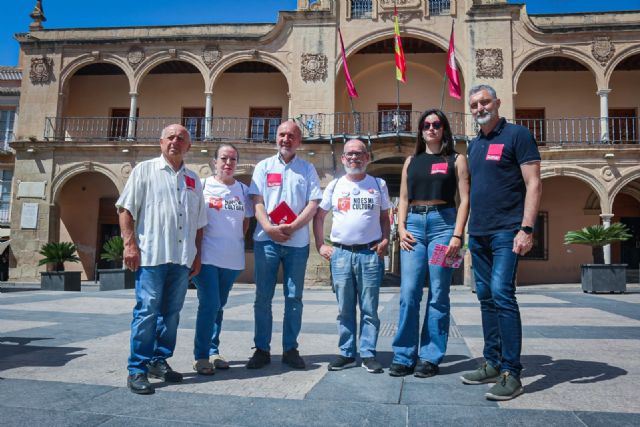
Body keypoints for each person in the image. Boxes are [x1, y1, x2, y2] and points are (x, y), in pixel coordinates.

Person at [460, 84, 541, 401]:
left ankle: (512, 372)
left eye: (484, 102)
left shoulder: (518, 135)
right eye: (474, 105)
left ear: (497, 102)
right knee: (485, 297)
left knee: (502, 294)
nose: (480, 108)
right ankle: (492, 362)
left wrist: (527, 228)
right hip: (479, 233)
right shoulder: (475, 144)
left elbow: (533, 183)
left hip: (507, 231)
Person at [117, 124, 207, 395]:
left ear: (188, 146)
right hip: (152, 256)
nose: (175, 142)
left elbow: (200, 223)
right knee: (147, 312)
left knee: (171, 315)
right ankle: (137, 368)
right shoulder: (144, 170)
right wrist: (129, 244)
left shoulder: (193, 179)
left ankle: (159, 360)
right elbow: (126, 209)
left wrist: (198, 255)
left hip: (181, 260)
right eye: (170, 137)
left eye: (181, 138)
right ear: (161, 142)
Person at [389, 109, 470, 378]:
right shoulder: (411, 161)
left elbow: (465, 199)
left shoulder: (456, 159)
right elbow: (402, 198)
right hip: (413, 226)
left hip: (443, 227)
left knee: (438, 292)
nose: (431, 129)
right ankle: (403, 355)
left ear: (444, 129)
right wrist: (400, 228)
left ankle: (431, 356)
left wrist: (457, 235)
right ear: (421, 130)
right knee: (409, 292)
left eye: (436, 124)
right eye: (426, 125)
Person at [247, 120, 323, 369]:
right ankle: (261, 349)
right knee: (263, 297)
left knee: (294, 297)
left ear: (299, 140)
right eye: (282, 135)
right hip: (265, 241)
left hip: (297, 242)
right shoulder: (263, 167)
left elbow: (313, 204)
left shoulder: (307, 168)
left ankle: (290, 349)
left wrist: (293, 227)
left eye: (291, 135)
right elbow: (257, 201)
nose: (286, 139)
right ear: (276, 138)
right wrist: (269, 228)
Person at [313, 139, 391, 374]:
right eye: (349, 154)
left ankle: (368, 353)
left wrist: (385, 239)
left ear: (367, 158)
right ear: (343, 159)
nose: (354, 158)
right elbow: (319, 216)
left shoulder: (378, 184)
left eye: (359, 154)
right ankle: (347, 352)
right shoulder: (335, 185)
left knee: (369, 308)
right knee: (345, 308)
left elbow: (385, 217)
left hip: (369, 254)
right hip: (341, 254)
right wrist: (320, 245)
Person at [191, 143, 253, 375]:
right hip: (206, 256)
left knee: (219, 306)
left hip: (232, 257)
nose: (228, 164)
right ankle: (201, 356)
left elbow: (245, 222)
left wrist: (235, 239)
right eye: (224, 159)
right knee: (209, 304)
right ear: (214, 162)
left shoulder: (243, 190)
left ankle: (214, 350)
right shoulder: (203, 186)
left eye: (233, 160)